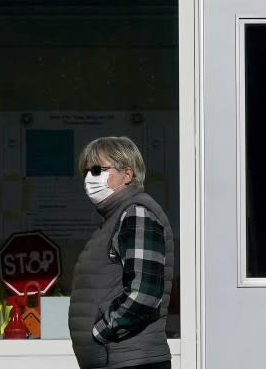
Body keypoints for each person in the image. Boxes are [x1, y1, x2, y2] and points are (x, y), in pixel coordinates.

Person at [69, 136, 174, 369]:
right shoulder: (115, 217)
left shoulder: (137, 214)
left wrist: (100, 332)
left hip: (131, 360)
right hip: (116, 359)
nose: (89, 179)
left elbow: (145, 295)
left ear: (127, 174)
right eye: (85, 172)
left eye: (98, 170)